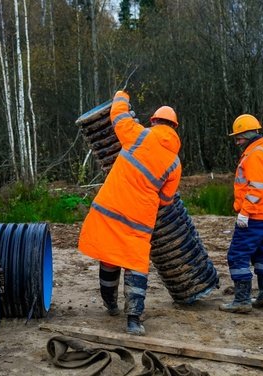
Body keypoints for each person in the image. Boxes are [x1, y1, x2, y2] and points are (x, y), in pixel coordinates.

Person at [78, 90, 182, 335]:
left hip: (110, 209)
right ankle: (134, 320)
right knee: (136, 266)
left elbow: (117, 115)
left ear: (154, 121)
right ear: (175, 128)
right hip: (138, 221)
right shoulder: (174, 163)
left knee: (109, 256)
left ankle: (110, 304)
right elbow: (166, 199)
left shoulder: (138, 135)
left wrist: (120, 95)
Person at [219, 114, 263, 313]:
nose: (237, 141)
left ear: (248, 134)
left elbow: (256, 189)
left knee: (237, 254)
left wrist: (245, 213)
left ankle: (242, 300)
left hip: (254, 216)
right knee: (262, 254)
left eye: (239, 137)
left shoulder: (255, 155)